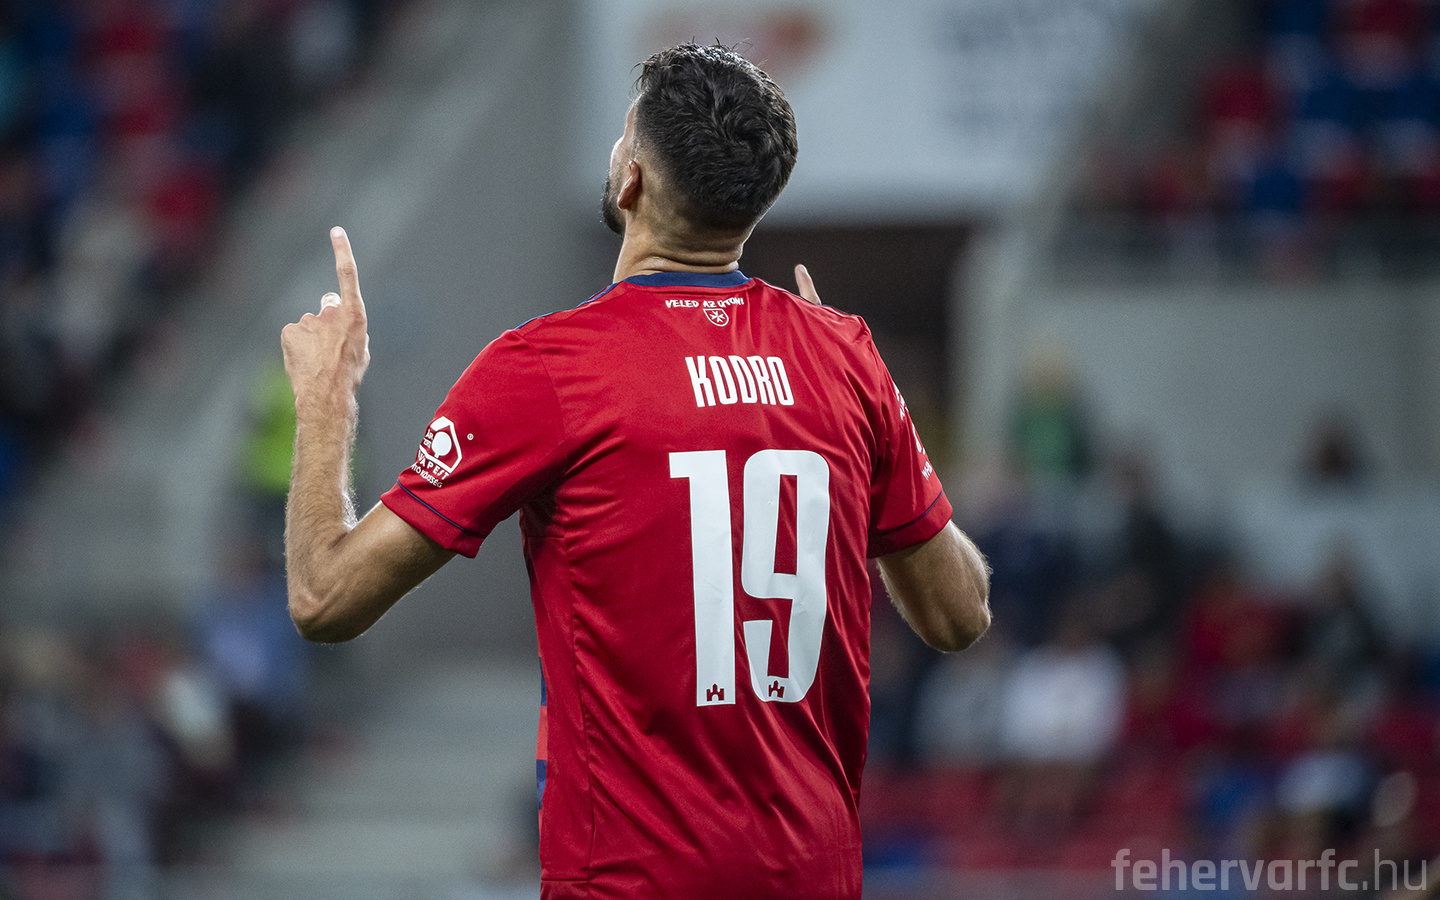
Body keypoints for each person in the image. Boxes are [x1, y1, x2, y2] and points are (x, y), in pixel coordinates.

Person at [280, 42, 990, 900]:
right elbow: (960, 615)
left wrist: (327, 402)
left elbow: (325, 599)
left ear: (632, 182)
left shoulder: (548, 368)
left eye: (625, 136)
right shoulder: (844, 358)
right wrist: (873, 415)